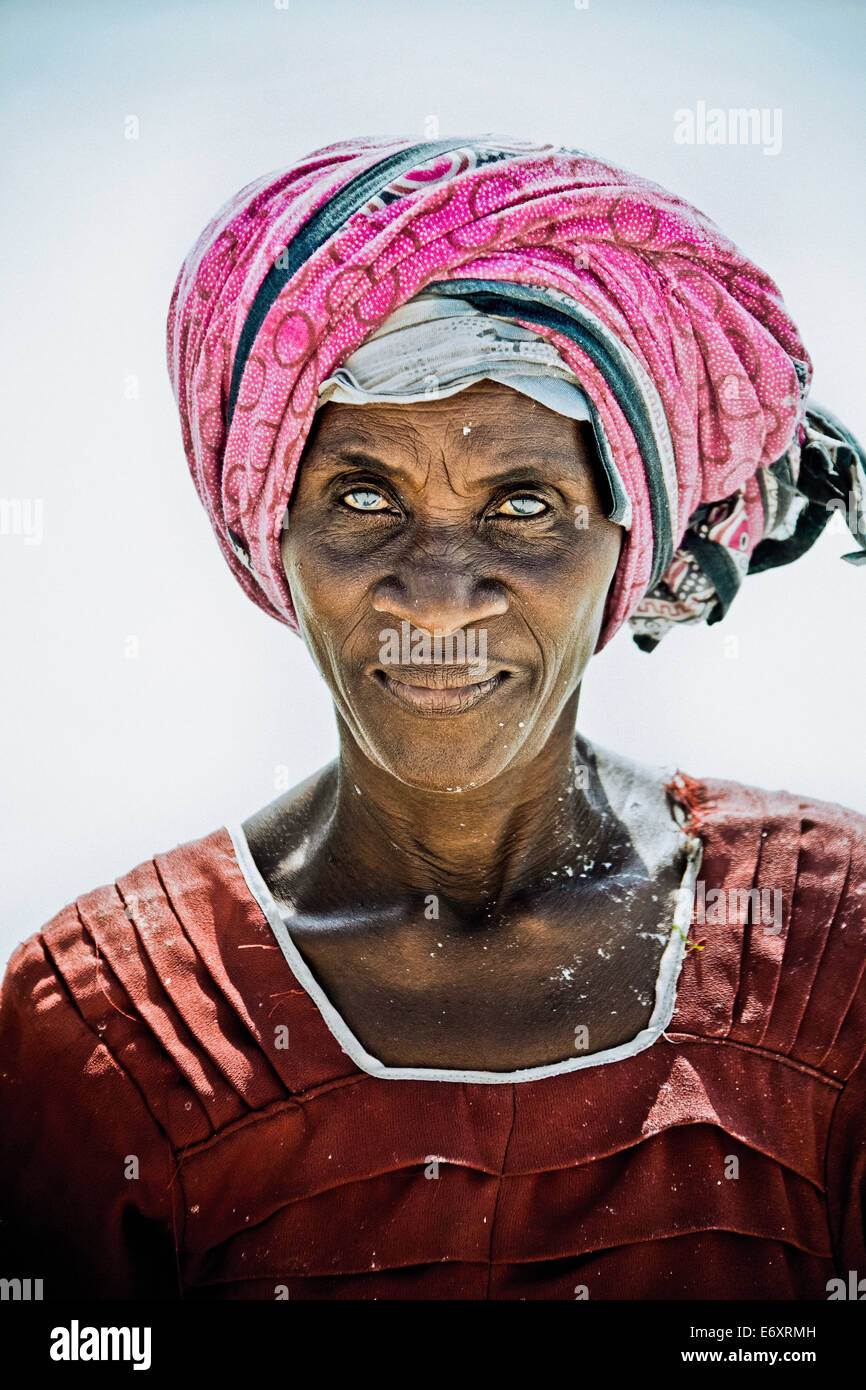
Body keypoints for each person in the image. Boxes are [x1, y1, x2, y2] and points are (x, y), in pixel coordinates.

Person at [1, 135, 865, 1300]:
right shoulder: (105, 1033)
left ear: (628, 541)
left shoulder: (831, 957)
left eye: (522, 505)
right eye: (363, 496)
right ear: (271, 528)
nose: (437, 594)